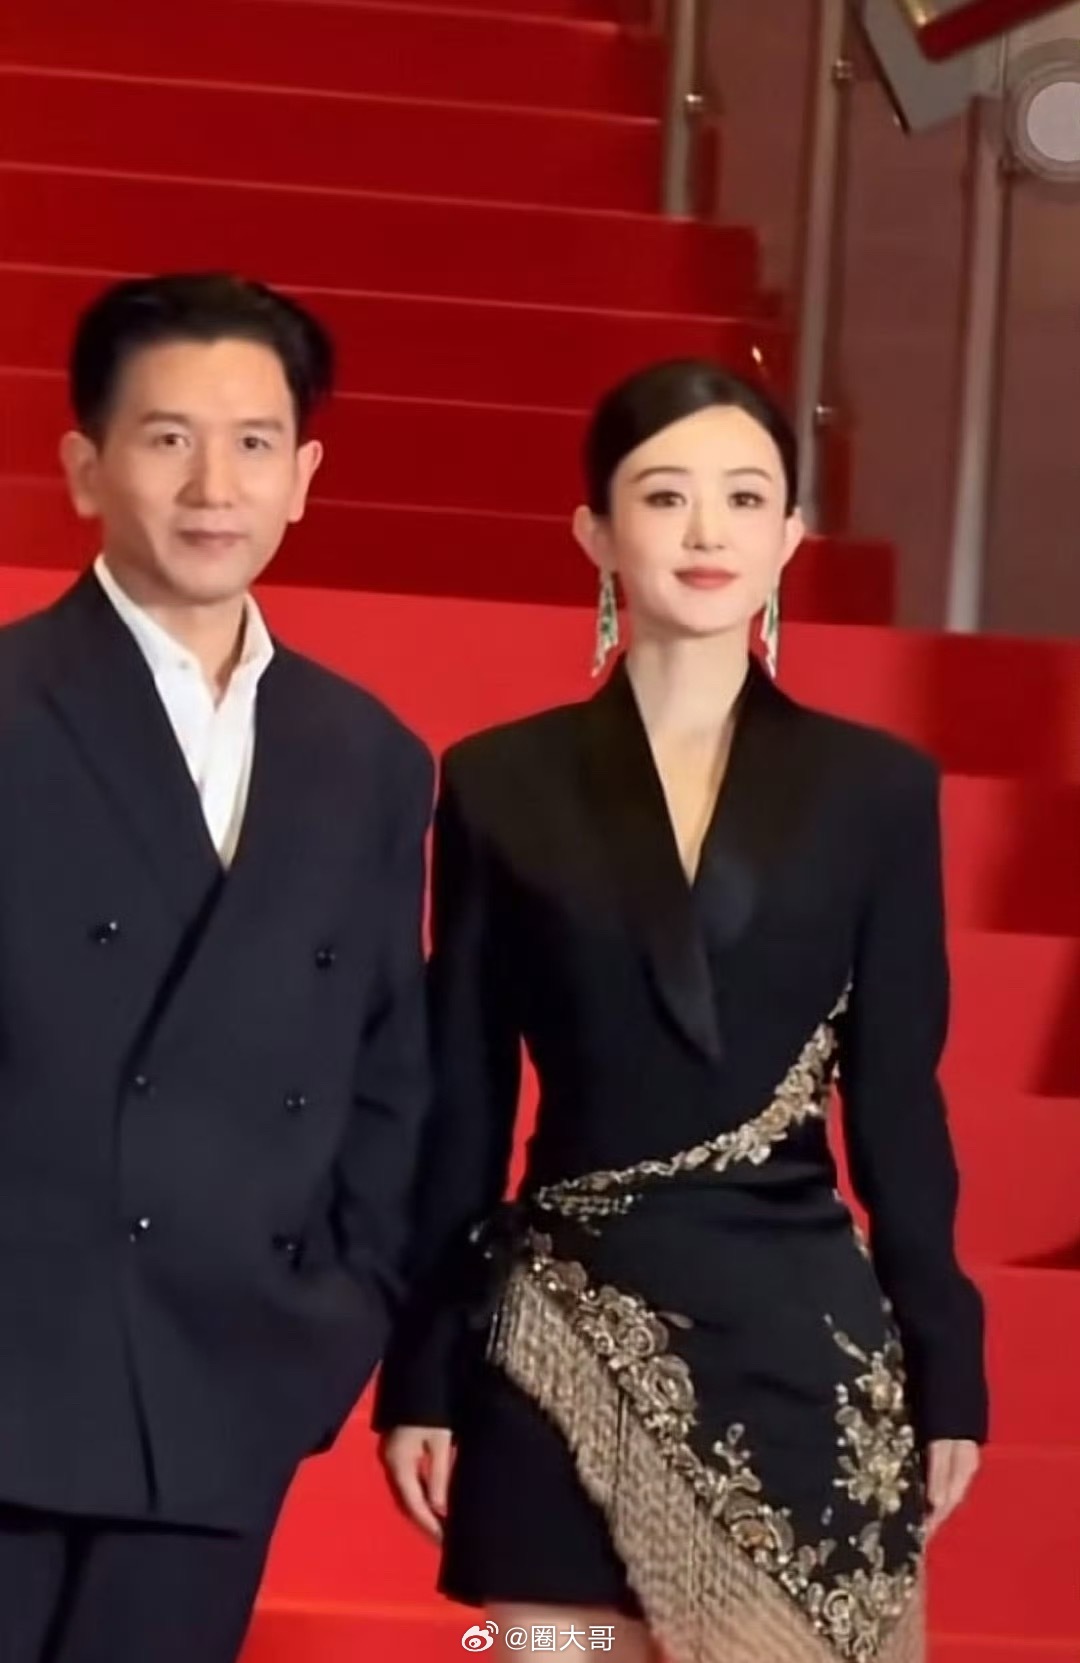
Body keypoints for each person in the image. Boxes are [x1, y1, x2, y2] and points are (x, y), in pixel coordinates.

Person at [376, 361, 987, 1662]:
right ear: (595, 531)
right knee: (547, 1654)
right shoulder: (498, 782)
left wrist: (949, 1362)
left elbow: (898, 1101)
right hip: (554, 1342)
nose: (708, 531)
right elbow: (463, 1100)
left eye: (745, 498)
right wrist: (421, 1368)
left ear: (791, 536)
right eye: (665, 496)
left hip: (799, 1339)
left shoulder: (877, 792)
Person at [0, 273, 433, 1663]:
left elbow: (388, 1069)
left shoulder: (367, 756)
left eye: (253, 443)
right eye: (168, 437)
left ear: (303, 476)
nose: (213, 485)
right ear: (85, 467)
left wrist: (342, 1312)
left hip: (221, 1370)